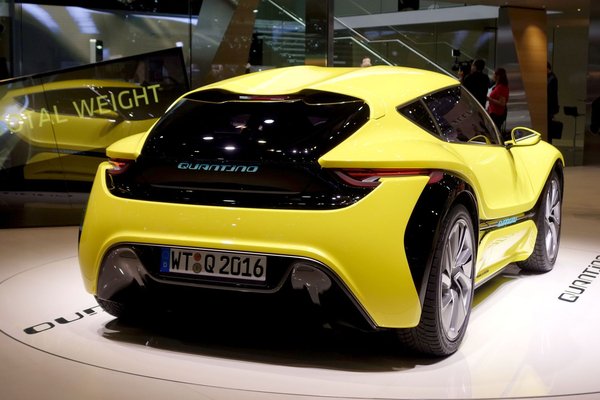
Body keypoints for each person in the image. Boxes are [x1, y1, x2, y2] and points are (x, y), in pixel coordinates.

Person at [487, 67, 509, 134]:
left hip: (497, 114)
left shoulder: (501, 87)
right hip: (493, 112)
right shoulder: (497, 86)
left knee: (495, 132)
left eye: (494, 74)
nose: (493, 76)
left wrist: (489, 99)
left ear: (498, 76)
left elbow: (502, 103)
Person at [547, 62, 561, 142]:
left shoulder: (552, 78)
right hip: (550, 107)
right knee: (548, 128)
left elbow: (551, 94)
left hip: (550, 107)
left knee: (548, 129)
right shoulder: (551, 78)